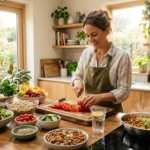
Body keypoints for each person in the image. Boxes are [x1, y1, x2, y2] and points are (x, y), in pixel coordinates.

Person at [71, 9, 132, 112]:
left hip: (112, 114)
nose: (90, 39)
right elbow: (77, 75)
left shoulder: (122, 56)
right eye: (87, 35)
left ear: (107, 31)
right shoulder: (86, 53)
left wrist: (101, 97)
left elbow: (124, 91)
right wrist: (77, 82)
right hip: (89, 113)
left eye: (94, 34)